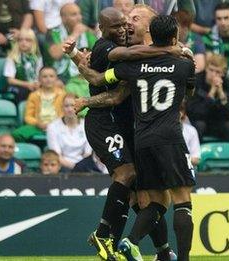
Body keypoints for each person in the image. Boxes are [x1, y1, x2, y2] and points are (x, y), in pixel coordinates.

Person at [65, 5, 181, 260]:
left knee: (142, 195)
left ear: (151, 26)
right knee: (129, 175)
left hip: (137, 128)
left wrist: (75, 57)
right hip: (106, 121)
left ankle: (162, 251)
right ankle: (105, 235)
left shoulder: (158, 57)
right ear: (103, 29)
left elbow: (95, 77)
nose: (127, 25)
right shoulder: (113, 49)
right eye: (121, 22)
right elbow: (108, 88)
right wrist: (85, 98)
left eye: (133, 19)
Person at [186, 54, 229, 142]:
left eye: (217, 72)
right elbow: (194, 113)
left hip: (217, 122)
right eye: (211, 70)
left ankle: (227, 154)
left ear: (223, 73)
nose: (213, 74)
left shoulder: (227, 84)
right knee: (200, 125)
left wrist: (221, 93)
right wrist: (212, 93)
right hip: (200, 121)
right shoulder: (196, 80)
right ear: (206, 68)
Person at [12, 66, 66, 143]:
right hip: (38, 126)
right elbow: (28, 116)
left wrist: (55, 123)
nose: (48, 79)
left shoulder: (63, 94)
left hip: (58, 126)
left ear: (56, 79)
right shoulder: (33, 95)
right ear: (39, 79)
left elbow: (66, 113)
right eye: (44, 76)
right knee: (16, 134)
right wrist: (37, 123)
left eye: (51, 76)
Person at [47, 93, 92, 170]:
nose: (70, 109)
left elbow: (88, 153)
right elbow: (56, 155)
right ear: (62, 108)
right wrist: (75, 167)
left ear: (79, 107)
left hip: (84, 166)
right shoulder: (52, 127)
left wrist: (80, 167)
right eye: (66, 106)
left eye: (72, 105)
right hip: (62, 166)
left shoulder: (87, 124)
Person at [4, 28, 43, 104]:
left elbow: (39, 75)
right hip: (18, 86)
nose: (23, 43)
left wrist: (38, 84)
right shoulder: (12, 58)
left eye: (27, 40)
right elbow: (10, 80)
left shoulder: (38, 58)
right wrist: (27, 84)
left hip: (33, 85)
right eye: (20, 40)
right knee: (24, 92)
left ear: (33, 42)